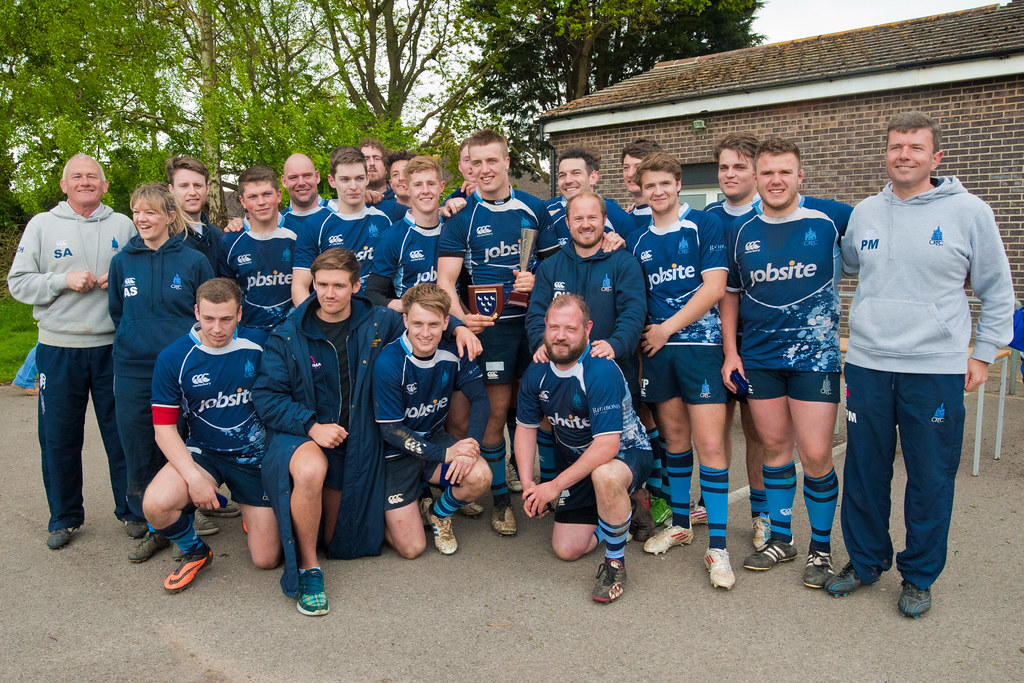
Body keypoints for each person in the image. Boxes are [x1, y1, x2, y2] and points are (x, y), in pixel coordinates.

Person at [825, 111, 1014, 617]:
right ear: (885, 153)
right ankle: (865, 563)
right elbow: (842, 264)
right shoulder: (865, 211)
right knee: (865, 472)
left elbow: (998, 291)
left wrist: (982, 353)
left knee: (930, 477)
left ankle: (919, 575)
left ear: (936, 157)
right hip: (868, 363)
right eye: (895, 147)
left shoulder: (970, 212)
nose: (903, 155)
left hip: (935, 366)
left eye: (914, 147)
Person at [252, 248, 479, 615]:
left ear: (356, 285)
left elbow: (421, 319)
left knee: (340, 539)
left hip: (357, 439)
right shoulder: (288, 333)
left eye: (339, 285)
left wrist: (459, 326)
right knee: (303, 490)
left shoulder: (378, 321)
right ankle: (309, 569)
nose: (329, 293)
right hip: (304, 433)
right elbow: (266, 395)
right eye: (322, 284)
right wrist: (310, 424)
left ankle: (413, 505)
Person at [720, 138, 851, 589]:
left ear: (801, 177)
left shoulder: (831, 220)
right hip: (759, 358)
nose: (776, 180)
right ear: (757, 180)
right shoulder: (741, 232)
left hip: (815, 359)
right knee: (774, 450)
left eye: (785, 172)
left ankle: (820, 547)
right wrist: (732, 352)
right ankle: (781, 537)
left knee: (815, 454)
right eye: (768, 173)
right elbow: (730, 295)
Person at [8, 154, 137, 549]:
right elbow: (19, 282)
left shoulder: (123, 225)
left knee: (122, 435)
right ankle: (64, 517)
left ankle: (132, 510)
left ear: (104, 184)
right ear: (64, 185)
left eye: (92, 176)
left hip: (111, 348)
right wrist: (62, 280)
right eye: (77, 177)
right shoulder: (43, 225)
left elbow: (138, 277)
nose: (85, 182)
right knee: (60, 437)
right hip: (59, 347)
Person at [437, 128, 557, 536]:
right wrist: (458, 321)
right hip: (493, 331)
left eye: (493, 160)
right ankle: (503, 501)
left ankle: (552, 488)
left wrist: (536, 282)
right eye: (477, 162)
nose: (485, 169)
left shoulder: (534, 208)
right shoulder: (462, 217)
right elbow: (445, 285)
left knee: (545, 413)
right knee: (493, 416)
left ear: (507, 162)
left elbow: (557, 272)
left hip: (536, 325)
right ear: (468, 167)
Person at [626, 153, 735, 589]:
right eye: (649, 185)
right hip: (657, 352)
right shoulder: (636, 238)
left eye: (665, 184)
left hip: (698, 347)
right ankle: (681, 525)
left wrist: (667, 328)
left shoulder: (704, 224)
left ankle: (720, 547)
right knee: (674, 441)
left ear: (678, 184)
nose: (657, 192)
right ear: (640, 188)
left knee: (711, 443)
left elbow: (715, 288)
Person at [145, 278, 281, 593]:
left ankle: (253, 509)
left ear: (240, 314)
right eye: (208, 318)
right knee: (155, 504)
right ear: (196, 311)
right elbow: (163, 429)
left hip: (256, 459)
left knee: (266, 559)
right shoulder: (173, 357)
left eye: (226, 319)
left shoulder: (260, 344)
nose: (217, 328)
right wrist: (193, 477)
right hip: (206, 453)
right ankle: (196, 551)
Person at [514, 294, 652, 602]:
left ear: (587, 328)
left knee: (606, 475)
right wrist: (528, 484)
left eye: (570, 328)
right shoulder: (536, 371)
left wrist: (554, 486)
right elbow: (525, 428)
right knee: (566, 549)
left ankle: (615, 563)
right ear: (545, 328)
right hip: (578, 465)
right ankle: (626, 514)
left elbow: (606, 446)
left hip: (624, 455)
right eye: (553, 328)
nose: (560, 336)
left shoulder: (600, 371)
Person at [526, 191, 648, 532]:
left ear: (603, 220)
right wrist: (540, 343)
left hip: (611, 374)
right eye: (577, 218)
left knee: (612, 449)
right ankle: (563, 496)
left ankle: (632, 500)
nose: (585, 224)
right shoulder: (551, 266)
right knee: (570, 439)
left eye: (592, 217)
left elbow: (634, 312)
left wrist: (616, 344)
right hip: (563, 376)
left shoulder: (623, 262)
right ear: (567, 223)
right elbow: (537, 314)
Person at [108, 183, 215, 562]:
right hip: (133, 369)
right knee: (138, 447)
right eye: (137, 211)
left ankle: (181, 522)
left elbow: (204, 314)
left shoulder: (193, 261)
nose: (141, 218)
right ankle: (152, 525)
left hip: (179, 369)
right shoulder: (122, 261)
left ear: (171, 216)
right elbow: (118, 312)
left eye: (150, 211)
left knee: (181, 447)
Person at [373, 284, 492, 557]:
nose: (425, 333)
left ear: (446, 321)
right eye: (417, 323)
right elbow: (391, 430)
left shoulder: (454, 349)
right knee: (412, 548)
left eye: (433, 324)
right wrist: (447, 453)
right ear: (405, 320)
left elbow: (481, 399)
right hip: (396, 453)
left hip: (433, 440)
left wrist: (470, 446)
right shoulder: (389, 362)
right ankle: (391, 509)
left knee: (479, 475)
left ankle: (439, 513)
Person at [704, 133, 770, 549]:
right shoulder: (708, 215)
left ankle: (761, 513)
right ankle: (708, 504)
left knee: (759, 432)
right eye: (724, 166)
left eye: (739, 166)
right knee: (714, 428)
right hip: (712, 341)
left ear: (756, 172)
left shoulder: (773, 214)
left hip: (759, 341)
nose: (730, 174)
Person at [292, 146, 392, 303]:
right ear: (332, 181)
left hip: (377, 316)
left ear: (367, 178)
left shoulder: (384, 219)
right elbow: (300, 286)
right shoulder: (315, 224)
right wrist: (316, 324)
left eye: (359, 178)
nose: (353, 186)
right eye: (345, 179)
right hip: (333, 317)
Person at [220, 166, 297, 331]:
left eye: (267, 194)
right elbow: (227, 294)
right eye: (253, 197)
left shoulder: (298, 233)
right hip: (250, 332)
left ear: (278, 195)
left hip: (293, 332)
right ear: (242, 201)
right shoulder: (230, 241)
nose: (261, 202)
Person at [365, 155, 446, 310]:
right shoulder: (393, 237)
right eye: (418, 185)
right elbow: (373, 294)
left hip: (452, 322)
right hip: (415, 327)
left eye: (431, 183)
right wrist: (411, 306)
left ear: (441, 186)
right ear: (407, 189)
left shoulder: (453, 227)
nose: (425, 191)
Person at [545, 147, 634, 247]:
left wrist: (624, 246)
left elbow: (635, 252)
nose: (568, 180)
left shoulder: (618, 217)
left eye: (576, 173)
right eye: (562, 175)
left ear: (593, 177)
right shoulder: (552, 219)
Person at [166, 155, 223, 272]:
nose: (192, 192)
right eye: (184, 186)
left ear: (207, 188)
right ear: (171, 190)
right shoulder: (162, 236)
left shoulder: (217, 237)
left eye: (197, 185)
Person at [620, 138, 664, 230]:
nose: (630, 174)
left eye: (638, 167)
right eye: (626, 167)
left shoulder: (668, 218)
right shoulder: (624, 218)